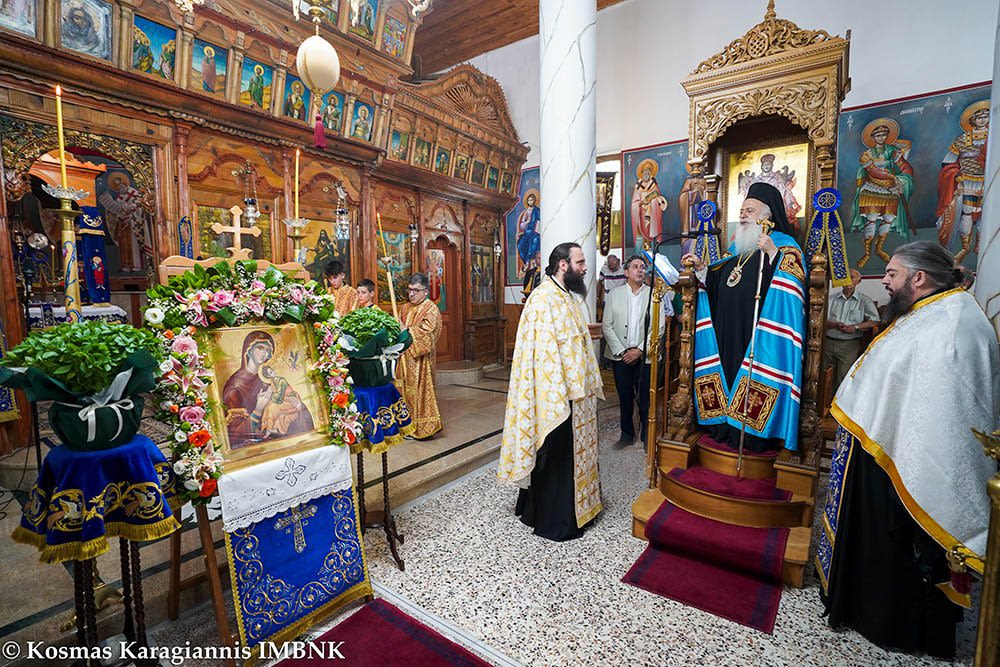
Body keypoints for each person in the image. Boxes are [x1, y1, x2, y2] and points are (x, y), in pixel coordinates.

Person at [819, 241, 999, 658]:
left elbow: (943, 416)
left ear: (919, 278)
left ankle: (894, 624)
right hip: (886, 449)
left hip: (907, 461)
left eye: (892, 273)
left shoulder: (952, 324)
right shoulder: (930, 311)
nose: (884, 280)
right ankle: (864, 607)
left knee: (902, 554)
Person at [681, 182, 806, 453]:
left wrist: (772, 253)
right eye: (742, 210)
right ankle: (721, 425)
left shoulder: (786, 246)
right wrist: (703, 270)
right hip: (727, 329)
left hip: (759, 333)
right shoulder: (736, 248)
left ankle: (751, 433)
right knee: (726, 373)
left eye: (750, 210)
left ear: (768, 215)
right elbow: (718, 281)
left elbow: (792, 289)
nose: (743, 214)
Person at [499, 243, 603, 541]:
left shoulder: (566, 296)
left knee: (570, 455)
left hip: (576, 395)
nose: (585, 268)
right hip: (555, 395)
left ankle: (579, 509)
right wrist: (558, 392)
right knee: (556, 455)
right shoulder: (542, 299)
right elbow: (541, 355)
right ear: (563, 265)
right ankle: (555, 518)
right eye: (580, 262)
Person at [602, 255, 669, 448]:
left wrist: (640, 350)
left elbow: (659, 327)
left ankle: (647, 434)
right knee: (624, 396)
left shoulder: (654, 295)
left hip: (644, 355)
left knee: (645, 396)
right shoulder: (614, 295)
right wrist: (622, 351)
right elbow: (607, 326)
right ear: (626, 272)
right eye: (635, 267)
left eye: (642, 267)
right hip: (620, 355)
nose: (640, 270)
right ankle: (626, 434)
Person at [850, 119, 914, 268]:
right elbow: (874, 171)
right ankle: (867, 253)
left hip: (890, 190)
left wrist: (903, 178)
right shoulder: (866, 155)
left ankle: (879, 249)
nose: (881, 138)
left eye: (884, 135)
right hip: (872, 189)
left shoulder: (893, 151)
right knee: (871, 219)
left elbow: (904, 166)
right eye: (878, 135)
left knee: (888, 219)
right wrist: (892, 177)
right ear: (872, 138)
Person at [936, 100, 989, 263]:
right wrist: (958, 178)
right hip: (967, 181)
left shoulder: (994, 137)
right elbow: (948, 162)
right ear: (973, 120)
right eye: (979, 117)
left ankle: (981, 244)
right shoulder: (962, 140)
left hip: (989, 181)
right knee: (967, 212)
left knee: (986, 212)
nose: (982, 120)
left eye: (986, 116)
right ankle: (965, 247)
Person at [396, 273, 442, 439]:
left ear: (425, 291)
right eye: (409, 290)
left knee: (418, 393)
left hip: (421, 361)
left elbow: (428, 334)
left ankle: (420, 428)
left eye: (416, 290)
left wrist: (406, 330)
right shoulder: (405, 308)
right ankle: (404, 426)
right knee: (402, 391)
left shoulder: (431, 309)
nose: (412, 294)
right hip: (403, 357)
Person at [823, 269, 879, 392]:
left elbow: (875, 321)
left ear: (859, 281)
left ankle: (838, 403)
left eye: (852, 277)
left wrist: (856, 327)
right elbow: (820, 320)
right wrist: (834, 325)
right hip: (828, 342)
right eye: (846, 277)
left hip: (849, 345)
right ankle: (824, 402)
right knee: (825, 376)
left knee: (844, 378)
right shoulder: (830, 299)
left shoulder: (865, 301)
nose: (848, 280)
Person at [630, 159, 668, 243]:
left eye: (648, 171)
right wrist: (641, 202)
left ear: (651, 173)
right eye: (645, 171)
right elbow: (634, 203)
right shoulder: (638, 186)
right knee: (642, 234)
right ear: (641, 173)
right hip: (641, 212)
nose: (646, 173)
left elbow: (658, 197)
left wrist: (653, 201)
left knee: (654, 202)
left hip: (652, 212)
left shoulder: (653, 184)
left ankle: (653, 239)